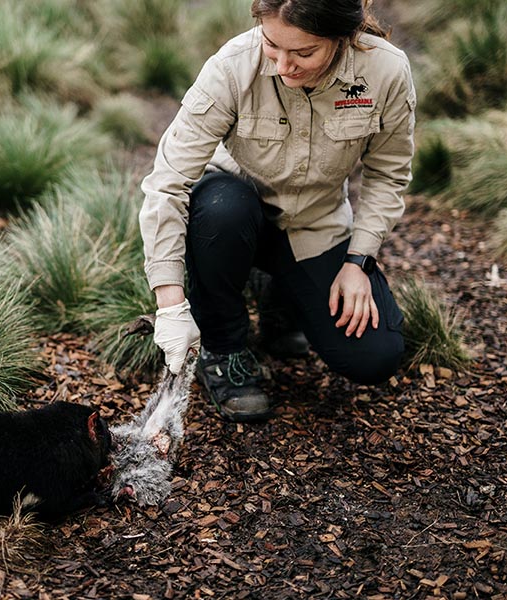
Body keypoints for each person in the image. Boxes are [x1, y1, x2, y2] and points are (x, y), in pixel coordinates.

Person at [139, 0, 415, 422]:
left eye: (304, 53)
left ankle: (281, 302)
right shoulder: (232, 67)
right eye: (272, 45)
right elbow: (168, 180)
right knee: (220, 212)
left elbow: (387, 175)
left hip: (314, 226)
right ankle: (225, 349)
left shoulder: (385, 71)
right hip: (231, 215)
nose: (284, 66)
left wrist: (358, 261)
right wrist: (170, 304)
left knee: (375, 357)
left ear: (342, 39)